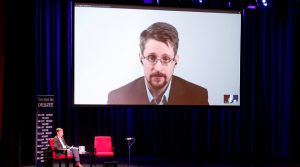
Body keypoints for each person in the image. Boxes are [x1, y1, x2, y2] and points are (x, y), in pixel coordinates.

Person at [107, 22, 209, 105]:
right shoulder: (117, 98)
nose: (158, 68)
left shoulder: (198, 96)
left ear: (176, 60)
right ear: (141, 58)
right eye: (151, 57)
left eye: (166, 59)